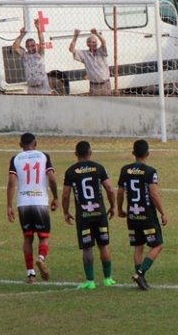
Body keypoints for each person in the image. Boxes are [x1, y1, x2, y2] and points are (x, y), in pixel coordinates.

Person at [62, 141, 117, 290]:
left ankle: (90, 281)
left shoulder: (71, 171)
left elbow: (66, 195)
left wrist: (66, 212)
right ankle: (107, 278)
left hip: (83, 216)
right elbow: (110, 189)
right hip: (100, 214)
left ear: (76, 154)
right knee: (103, 245)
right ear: (90, 153)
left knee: (87, 248)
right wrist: (112, 206)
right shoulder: (99, 168)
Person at [7, 133, 58, 284]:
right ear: (35, 143)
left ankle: (31, 274)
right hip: (40, 201)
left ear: (20, 144)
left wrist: (9, 205)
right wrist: (55, 196)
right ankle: (41, 258)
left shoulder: (15, 158)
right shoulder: (44, 156)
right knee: (44, 236)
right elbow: (52, 178)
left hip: (23, 202)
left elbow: (11, 183)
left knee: (27, 237)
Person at [117, 139, 168, 291]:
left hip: (132, 215)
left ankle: (141, 277)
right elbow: (153, 194)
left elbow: (120, 193)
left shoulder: (125, 170)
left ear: (133, 153)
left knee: (138, 246)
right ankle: (140, 273)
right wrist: (163, 213)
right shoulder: (150, 171)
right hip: (147, 216)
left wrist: (119, 209)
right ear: (147, 153)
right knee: (157, 245)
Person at [13, 19, 51, 95]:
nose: (31, 47)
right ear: (26, 47)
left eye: (33, 45)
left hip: (43, 87)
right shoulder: (25, 56)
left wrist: (38, 28)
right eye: (29, 46)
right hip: (31, 88)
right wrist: (21, 35)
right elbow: (15, 47)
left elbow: (41, 42)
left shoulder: (39, 54)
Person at [70, 28, 111, 96]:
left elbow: (103, 42)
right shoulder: (84, 54)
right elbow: (71, 49)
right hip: (94, 86)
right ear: (87, 44)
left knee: (108, 104)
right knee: (95, 104)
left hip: (105, 84)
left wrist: (97, 34)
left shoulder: (101, 51)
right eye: (92, 42)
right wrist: (75, 37)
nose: (94, 44)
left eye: (95, 42)